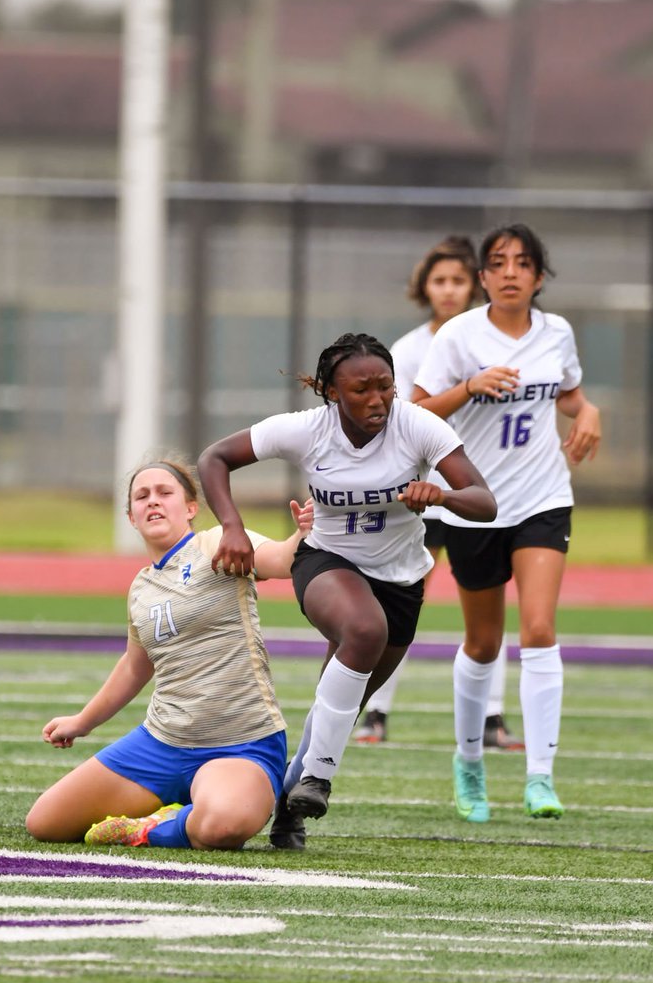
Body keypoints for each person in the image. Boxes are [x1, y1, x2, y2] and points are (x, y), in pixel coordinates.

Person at [197, 331, 496, 850]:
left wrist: (442, 495)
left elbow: (485, 501)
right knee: (363, 630)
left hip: (402, 581)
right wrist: (232, 527)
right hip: (326, 562)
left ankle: (289, 806)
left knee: (342, 702)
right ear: (332, 392)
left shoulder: (419, 426)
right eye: (361, 389)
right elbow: (214, 458)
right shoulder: (305, 430)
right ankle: (319, 780)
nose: (377, 399)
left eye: (386, 386)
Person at [413, 223, 601, 823]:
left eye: (524, 263)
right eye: (499, 263)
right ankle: (469, 763)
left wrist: (588, 409)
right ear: (484, 277)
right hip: (475, 503)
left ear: (539, 277)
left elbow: (569, 394)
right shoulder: (460, 336)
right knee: (484, 642)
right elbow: (414, 411)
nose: (512, 271)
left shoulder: (557, 333)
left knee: (540, 629)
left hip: (544, 498)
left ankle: (540, 778)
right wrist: (469, 387)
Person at [25, 458, 313, 850]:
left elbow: (281, 560)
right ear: (131, 516)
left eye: (165, 493)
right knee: (46, 823)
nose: (153, 502)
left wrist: (303, 534)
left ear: (191, 507)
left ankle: (155, 827)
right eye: (141, 497)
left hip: (240, 744)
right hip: (162, 742)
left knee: (221, 828)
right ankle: (186, 805)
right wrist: (82, 722)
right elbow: (134, 665)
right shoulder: (141, 587)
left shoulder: (216, 543)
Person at [355, 235, 521, 751]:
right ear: (424, 288)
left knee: (488, 610)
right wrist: (468, 387)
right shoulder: (406, 351)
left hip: (475, 493)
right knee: (400, 601)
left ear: (475, 285)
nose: (449, 290)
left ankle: (492, 718)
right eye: (440, 280)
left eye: (458, 280)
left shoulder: (492, 341)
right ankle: (375, 709)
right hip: (419, 494)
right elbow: (406, 418)